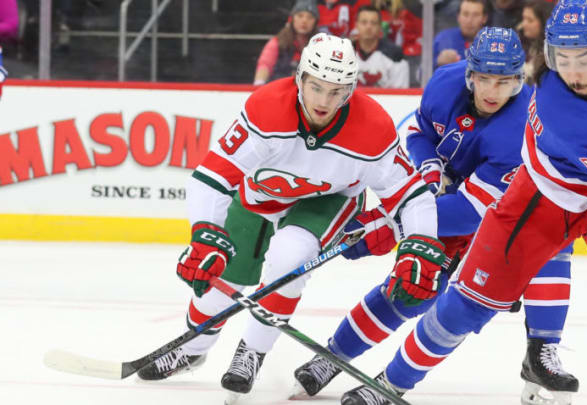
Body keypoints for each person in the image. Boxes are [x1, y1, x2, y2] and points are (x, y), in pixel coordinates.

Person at [336, 0, 587, 404]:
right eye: (562, 59)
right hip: (546, 196)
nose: (572, 73)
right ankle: (391, 381)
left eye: (584, 58)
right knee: (466, 305)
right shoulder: (569, 113)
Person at [134, 32, 446, 404]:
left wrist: (421, 241)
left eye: (336, 91)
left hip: (327, 201)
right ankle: (193, 347)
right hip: (261, 193)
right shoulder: (266, 108)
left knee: (288, 261)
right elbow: (211, 177)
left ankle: (251, 351)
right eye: (316, 88)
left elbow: (411, 195)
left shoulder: (373, 129)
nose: (324, 101)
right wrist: (204, 232)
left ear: (350, 89)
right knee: (220, 275)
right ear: (300, 78)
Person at [291, 27, 578, 405]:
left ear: (518, 80)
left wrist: (391, 223)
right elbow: (416, 130)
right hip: (452, 201)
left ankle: (392, 383)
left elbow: (470, 212)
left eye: (504, 82)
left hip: (503, 221)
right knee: (408, 287)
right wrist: (428, 172)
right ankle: (332, 357)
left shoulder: (518, 129)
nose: (492, 92)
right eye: (484, 80)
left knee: (450, 306)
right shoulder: (445, 84)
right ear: (469, 74)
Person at [253, 0, 319, 85]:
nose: (304, 21)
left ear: (315, 22)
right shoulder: (277, 42)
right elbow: (265, 65)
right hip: (278, 89)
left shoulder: (320, 46)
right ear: (292, 18)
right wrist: (259, 83)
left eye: (310, 17)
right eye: (300, 16)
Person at [353, 5, 410, 88]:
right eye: (364, 22)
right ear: (356, 25)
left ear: (380, 26)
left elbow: (400, 94)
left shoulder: (395, 55)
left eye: (373, 23)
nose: (368, 27)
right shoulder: (345, 52)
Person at [433, 0, 489, 68]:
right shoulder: (443, 39)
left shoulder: (494, 41)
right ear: (458, 17)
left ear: (484, 18)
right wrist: (438, 61)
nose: (469, 20)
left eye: (475, 15)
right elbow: (421, 72)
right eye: (465, 14)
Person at [518, 0, 554, 82]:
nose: (524, 24)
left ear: (544, 22)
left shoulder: (550, 53)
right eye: (523, 18)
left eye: (530, 20)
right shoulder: (524, 40)